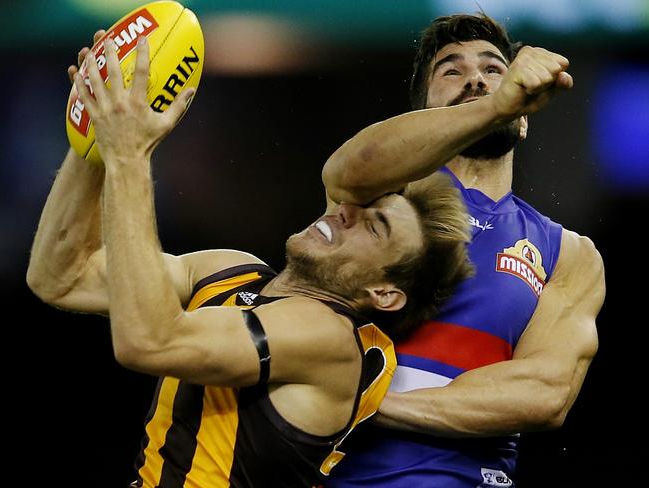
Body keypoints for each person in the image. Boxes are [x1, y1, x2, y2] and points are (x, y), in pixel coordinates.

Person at [25, 32, 474, 487]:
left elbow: (149, 342)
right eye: (358, 204)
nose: (346, 212)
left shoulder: (333, 340)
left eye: (375, 226)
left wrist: (128, 153)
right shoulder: (230, 270)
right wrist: (98, 132)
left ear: (384, 293)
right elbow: (61, 277)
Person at [323, 13, 605, 488]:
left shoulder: (568, 253)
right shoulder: (383, 198)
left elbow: (544, 394)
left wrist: (359, 403)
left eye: (495, 70)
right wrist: (493, 106)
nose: (475, 78)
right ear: (423, 114)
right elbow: (350, 169)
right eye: (451, 71)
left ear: (525, 121)